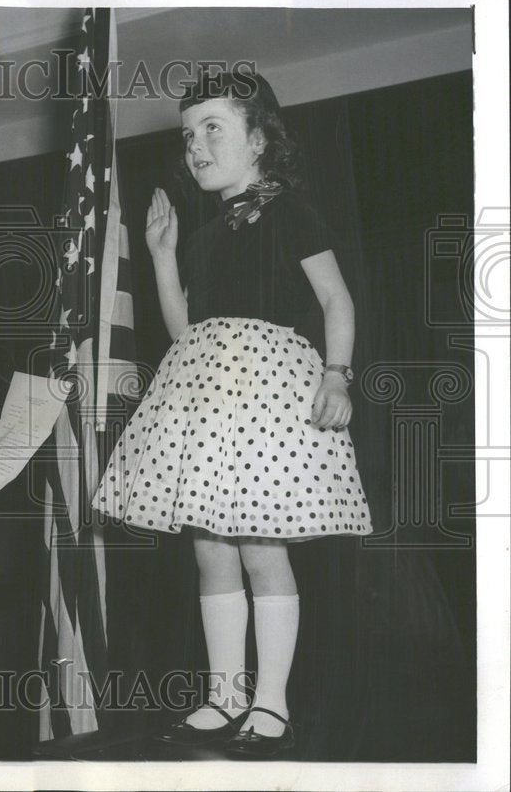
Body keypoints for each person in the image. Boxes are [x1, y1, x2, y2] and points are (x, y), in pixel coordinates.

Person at [93, 72, 371, 758]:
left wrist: (338, 373)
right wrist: (161, 255)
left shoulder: (290, 209)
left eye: (212, 128)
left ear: (260, 138)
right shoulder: (208, 234)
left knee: (259, 546)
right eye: (188, 135)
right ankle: (226, 693)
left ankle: (271, 705)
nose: (195, 146)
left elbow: (337, 299)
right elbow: (186, 327)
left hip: (267, 394)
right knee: (208, 548)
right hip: (205, 395)